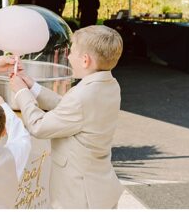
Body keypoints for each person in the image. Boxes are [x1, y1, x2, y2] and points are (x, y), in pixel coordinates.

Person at [9, 25, 126, 208]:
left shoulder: (81, 96)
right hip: (99, 186)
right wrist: (32, 86)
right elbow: (67, 108)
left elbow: (38, 126)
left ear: (85, 60)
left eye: (71, 52)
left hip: (79, 194)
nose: (68, 57)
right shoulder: (110, 85)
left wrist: (22, 92)